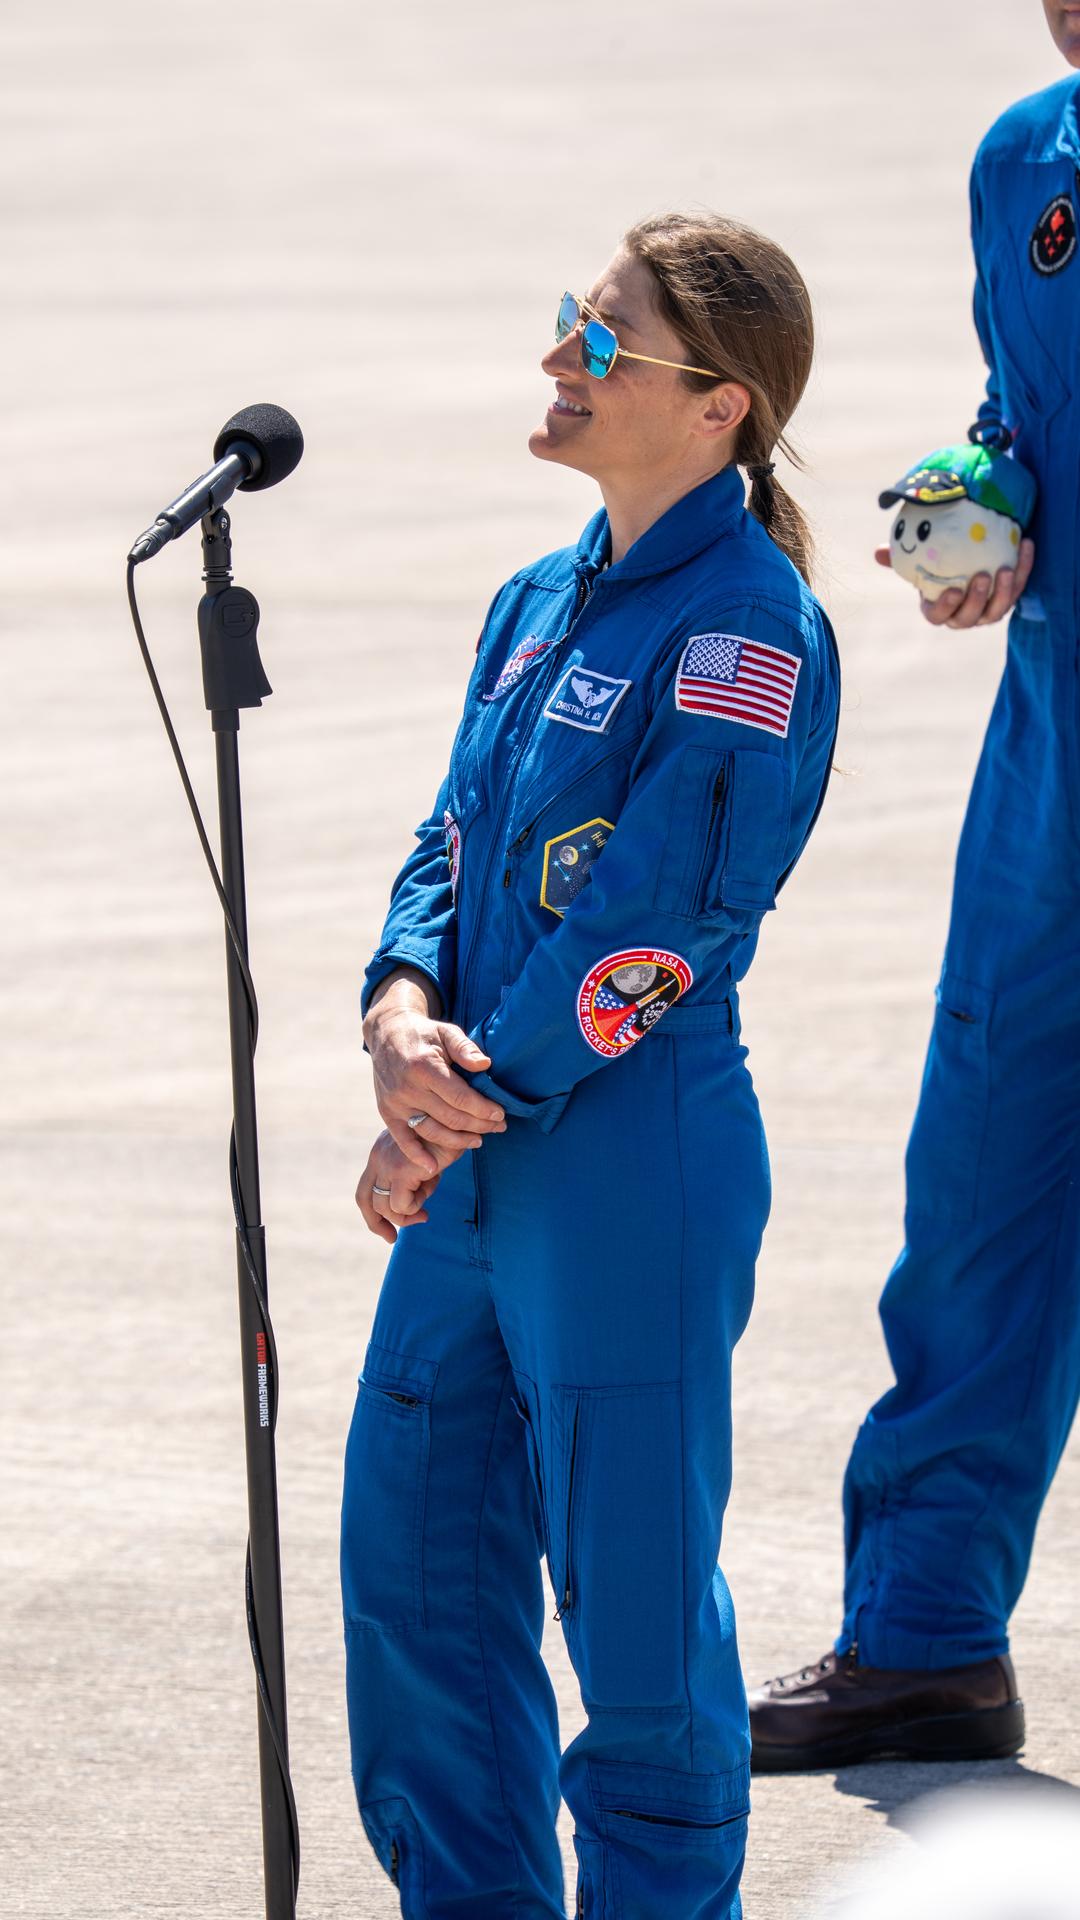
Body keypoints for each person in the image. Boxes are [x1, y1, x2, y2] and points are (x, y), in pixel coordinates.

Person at [343, 212, 840, 1918]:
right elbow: (450, 837)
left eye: (602, 337)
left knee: (629, 1625)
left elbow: (659, 926)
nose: (561, 354)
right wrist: (399, 1005)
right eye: (571, 317)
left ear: (721, 406)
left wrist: (443, 1114)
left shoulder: (743, 629)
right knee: (416, 1588)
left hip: (624, 1160)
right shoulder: (534, 597)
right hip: (471, 1137)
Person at [750, 0, 1080, 1774]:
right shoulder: (1029, 158)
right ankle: (928, 1642)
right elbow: (1020, 397)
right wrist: (991, 497)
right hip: (1057, 765)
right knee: (985, 1194)